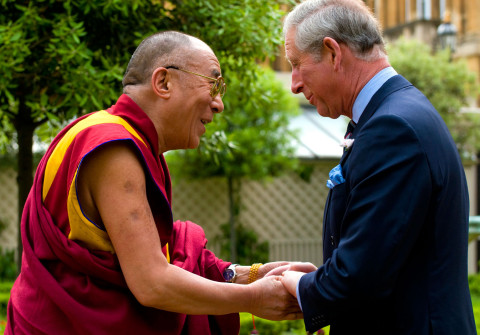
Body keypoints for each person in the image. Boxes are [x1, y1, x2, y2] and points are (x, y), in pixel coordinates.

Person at [6, 31, 305, 335]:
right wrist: (254, 299)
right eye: (214, 85)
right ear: (163, 83)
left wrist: (245, 275)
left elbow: (159, 253)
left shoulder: (133, 147)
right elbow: (151, 282)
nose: (219, 105)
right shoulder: (112, 147)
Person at [278, 0, 477, 333]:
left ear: (332, 52)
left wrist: (295, 283)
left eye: (297, 64)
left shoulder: (393, 128)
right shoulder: (394, 112)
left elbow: (358, 277)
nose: (294, 83)